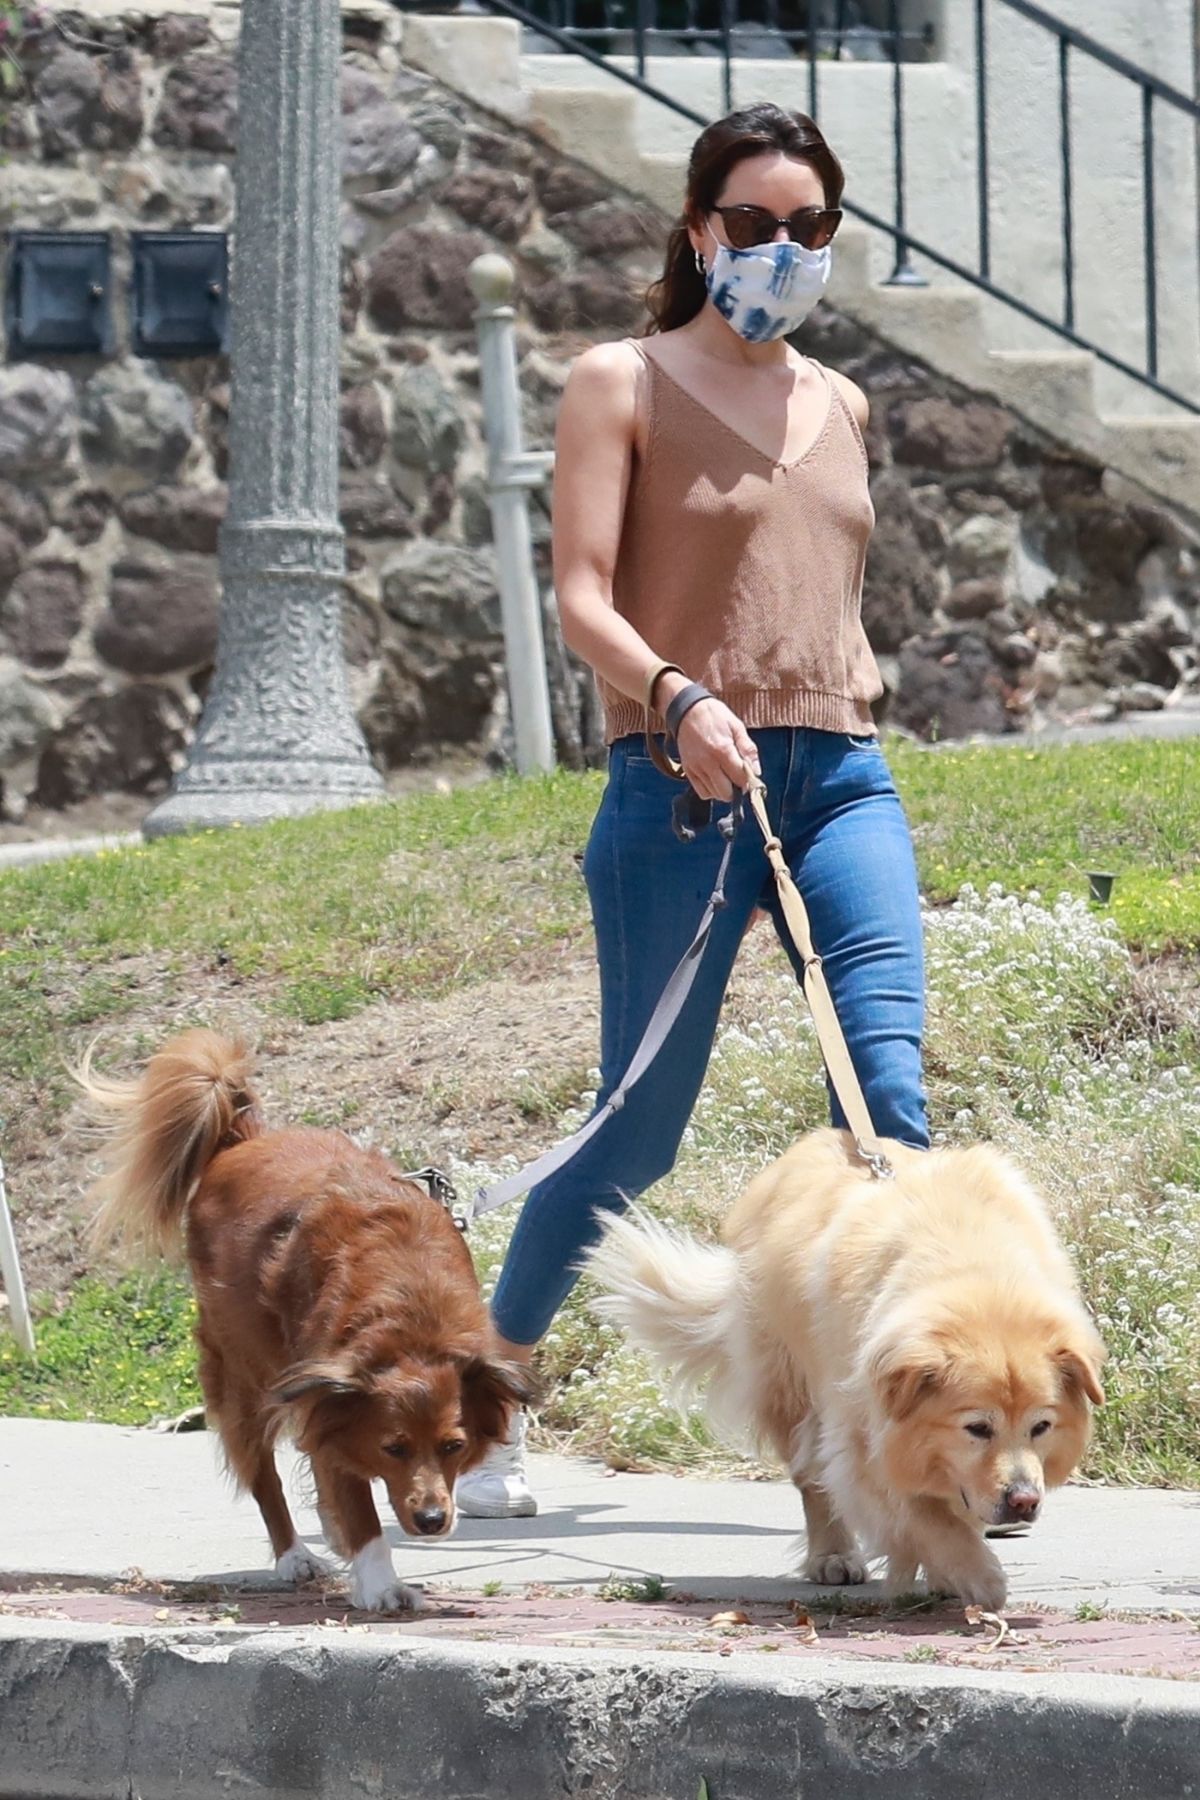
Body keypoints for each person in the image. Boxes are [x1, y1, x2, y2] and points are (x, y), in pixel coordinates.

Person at [456, 103, 930, 1519]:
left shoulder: (844, 405)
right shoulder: (623, 380)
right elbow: (582, 597)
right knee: (637, 1131)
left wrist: (818, 693)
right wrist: (677, 698)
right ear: (698, 228)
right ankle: (487, 1394)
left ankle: (904, 1428)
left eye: (810, 227)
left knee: (888, 1105)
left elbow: (821, 590)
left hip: (840, 777)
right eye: (756, 223)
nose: (782, 248)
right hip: (678, 786)